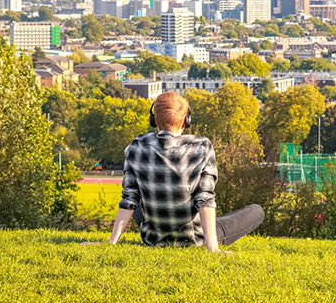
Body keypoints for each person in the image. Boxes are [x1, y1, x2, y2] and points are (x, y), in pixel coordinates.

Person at [106, 91, 264, 252]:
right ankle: (210, 236)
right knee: (256, 211)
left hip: (153, 238)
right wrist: (213, 248)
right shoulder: (201, 146)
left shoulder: (137, 146)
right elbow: (205, 199)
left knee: (137, 198)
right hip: (194, 238)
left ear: (154, 120)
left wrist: (112, 242)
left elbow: (129, 198)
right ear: (185, 121)